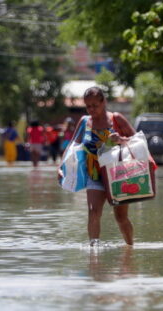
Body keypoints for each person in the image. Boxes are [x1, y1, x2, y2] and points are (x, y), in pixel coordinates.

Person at [57, 86, 136, 246]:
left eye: (95, 105)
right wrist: (61, 167)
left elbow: (138, 140)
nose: (91, 109)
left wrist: (120, 139)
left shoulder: (116, 119)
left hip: (118, 175)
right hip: (94, 174)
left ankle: (130, 248)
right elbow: (73, 144)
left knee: (121, 217)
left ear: (104, 102)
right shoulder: (85, 122)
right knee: (93, 212)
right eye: (88, 106)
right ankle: (94, 251)